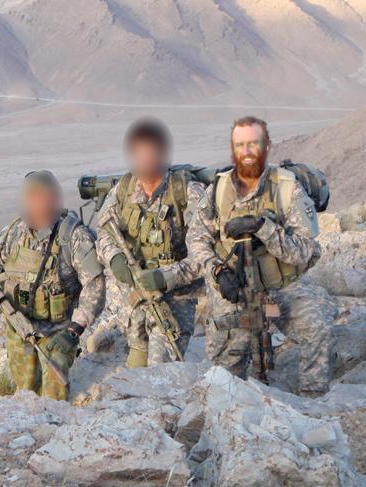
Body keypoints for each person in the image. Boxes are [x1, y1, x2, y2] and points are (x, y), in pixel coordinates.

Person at [187, 116, 332, 396]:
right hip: (233, 293)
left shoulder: (286, 187)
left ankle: (315, 405)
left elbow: (306, 250)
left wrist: (262, 228)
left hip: (280, 293)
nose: (247, 151)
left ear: (267, 146)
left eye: (253, 143)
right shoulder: (218, 189)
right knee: (224, 368)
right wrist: (217, 272)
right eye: (240, 144)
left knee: (317, 324)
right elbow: (196, 240)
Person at [0, 170, 105, 400]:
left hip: (58, 332)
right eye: (34, 198)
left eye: (45, 198)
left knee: (54, 394)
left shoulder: (73, 237)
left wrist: (74, 331)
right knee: (26, 392)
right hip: (19, 326)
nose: (40, 204)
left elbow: (95, 285)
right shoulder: (13, 232)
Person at [96, 119, 205, 367]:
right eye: (139, 153)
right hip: (136, 301)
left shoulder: (187, 193)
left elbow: (205, 253)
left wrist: (166, 277)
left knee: (160, 374)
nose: (145, 159)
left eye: (152, 152)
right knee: (135, 368)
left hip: (173, 303)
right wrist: (114, 257)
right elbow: (104, 232)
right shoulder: (123, 190)